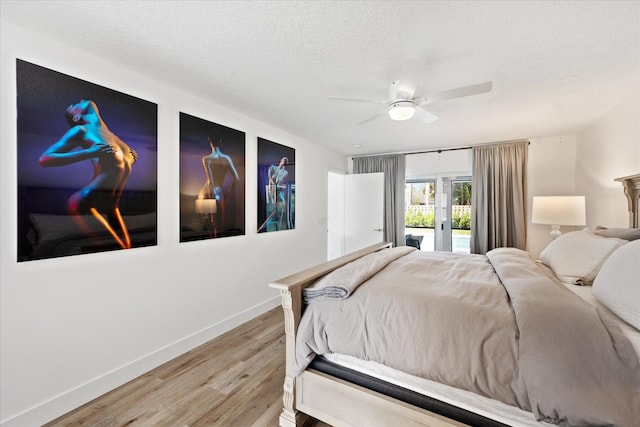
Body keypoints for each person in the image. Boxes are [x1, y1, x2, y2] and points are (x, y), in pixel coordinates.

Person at [39, 100, 138, 249]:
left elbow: (118, 168)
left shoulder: (112, 136)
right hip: (86, 204)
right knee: (118, 251)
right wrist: (89, 152)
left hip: (111, 206)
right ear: (76, 118)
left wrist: (131, 159)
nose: (79, 101)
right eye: (73, 106)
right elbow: (44, 159)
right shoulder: (81, 131)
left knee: (128, 250)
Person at [196, 137, 239, 236]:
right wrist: (227, 194)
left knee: (210, 228)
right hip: (217, 193)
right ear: (220, 141)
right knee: (218, 227)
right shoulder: (227, 159)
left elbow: (211, 182)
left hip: (204, 194)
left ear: (210, 142)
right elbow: (237, 180)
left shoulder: (206, 159)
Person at [258, 156, 290, 232]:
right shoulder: (273, 168)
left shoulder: (285, 172)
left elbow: (281, 182)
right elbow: (270, 179)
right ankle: (262, 228)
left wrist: (279, 180)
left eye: (285, 162)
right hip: (272, 191)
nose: (284, 162)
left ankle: (282, 226)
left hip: (279, 191)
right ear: (280, 160)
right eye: (283, 160)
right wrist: (271, 189)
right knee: (274, 211)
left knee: (283, 209)